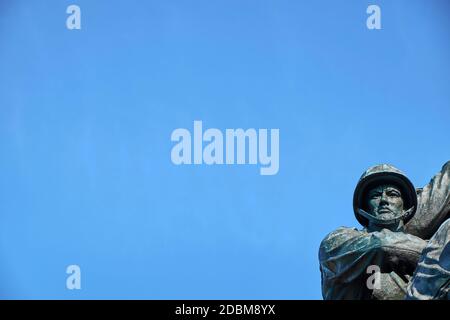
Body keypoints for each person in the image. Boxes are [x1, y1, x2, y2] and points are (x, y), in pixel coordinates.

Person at [319, 162, 450, 300]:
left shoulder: (418, 238)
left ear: (406, 208)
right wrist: (437, 252)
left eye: (392, 194)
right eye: (375, 196)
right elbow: (382, 245)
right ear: (364, 207)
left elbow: (443, 188)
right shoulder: (337, 241)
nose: (384, 200)